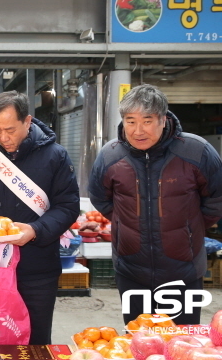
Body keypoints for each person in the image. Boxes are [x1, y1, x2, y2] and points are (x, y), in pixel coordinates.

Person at [88, 84, 222, 325]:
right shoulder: (110, 155)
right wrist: (125, 221)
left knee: (181, 342)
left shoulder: (197, 151)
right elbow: (100, 197)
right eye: (130, 121)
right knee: (138, 341)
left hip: (183, 269)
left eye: (147, 121)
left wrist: (191, 227)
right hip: (131, 269)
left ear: (162, 119)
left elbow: (217, 197)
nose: (138, 130)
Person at [0, 90, 80, 345]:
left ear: (28, 121)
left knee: (35, 340)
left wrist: (36, 230)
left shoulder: (55, 155)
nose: (3, 137)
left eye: (10, 130)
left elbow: (67, 206)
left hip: (38, 269)